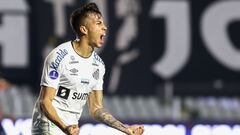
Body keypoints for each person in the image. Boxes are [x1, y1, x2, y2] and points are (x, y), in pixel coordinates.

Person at [31, 2, 144, 135]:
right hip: (49, 125)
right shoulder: (59, 56)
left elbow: (96, 109)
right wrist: (64, 127)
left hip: (70, 128)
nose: (105, 27)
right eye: (99, 23)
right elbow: (45, 102)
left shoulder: (98, 65)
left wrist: (125, 129)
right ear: (84, 29)